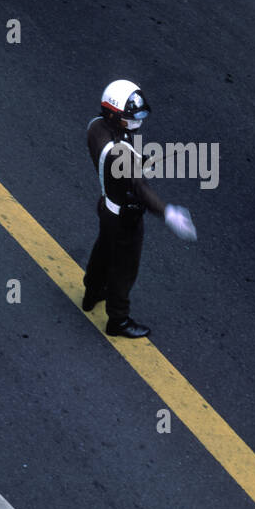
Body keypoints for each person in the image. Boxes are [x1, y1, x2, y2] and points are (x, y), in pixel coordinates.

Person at [83, 80, 196, 339]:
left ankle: (91, 292)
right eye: (129, 118)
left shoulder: (97, 127)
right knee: (125, 267)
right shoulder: (118, 154)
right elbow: (140, 188)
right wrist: (168, 212)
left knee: (103, 250)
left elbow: (123, 157)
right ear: (112, 114)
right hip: (124, 215)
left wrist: (140, 161)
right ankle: (118, 320)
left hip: (107, 206)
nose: (136, 123)